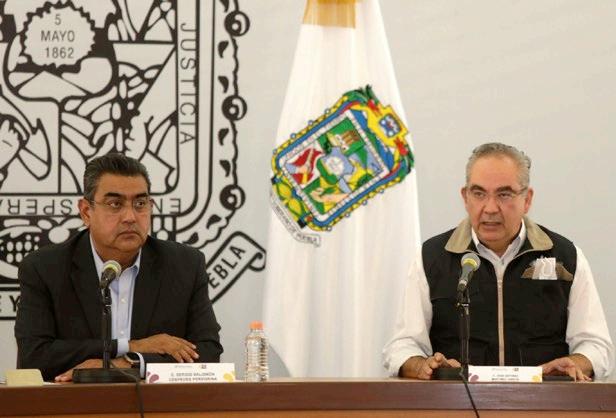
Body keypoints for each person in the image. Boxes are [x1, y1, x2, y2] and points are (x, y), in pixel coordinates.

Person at [383, 142, 613, 381]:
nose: (490, 208)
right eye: (479, 193)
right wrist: (423, 366)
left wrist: (576, 364)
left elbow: (596, 346)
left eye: (504, 194)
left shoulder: (566, 257)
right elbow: (402, 346)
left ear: (527, 199)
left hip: (544, 399)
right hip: (456, 399)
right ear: (465, 197)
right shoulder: (432, 258)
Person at [15, 153, 223, 381]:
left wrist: (126, 363)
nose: (130, 217)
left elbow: (208, 354)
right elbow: (33, 357)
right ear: (86, 212)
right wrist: (133, 346)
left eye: (140, 204)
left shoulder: (185, 265)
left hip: (156, 402)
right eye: (115, 204)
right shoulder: (44, 268)